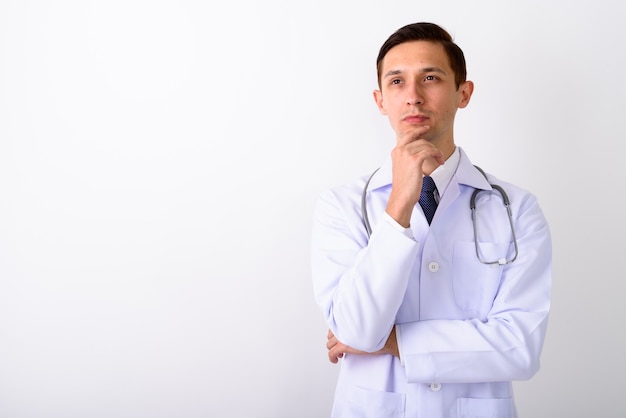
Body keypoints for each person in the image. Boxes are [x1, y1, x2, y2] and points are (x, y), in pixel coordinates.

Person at [310, 22, 552, 418]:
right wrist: (400, 205)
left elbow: (519, 347)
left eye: (431, 78)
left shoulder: (516, 209)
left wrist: (392, 342)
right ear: (380, 100)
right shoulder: (342, 206)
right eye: (397, 82)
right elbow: (354, 332)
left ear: (463, 93)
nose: (413, 97)